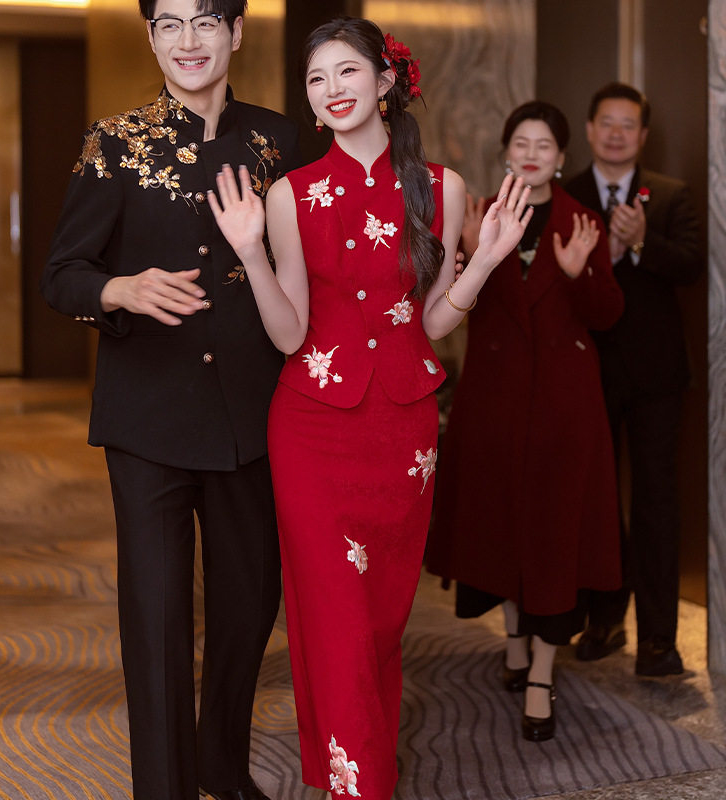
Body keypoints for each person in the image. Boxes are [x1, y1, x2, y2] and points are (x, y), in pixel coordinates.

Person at [205, 16, 532, 799]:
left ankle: (344, 771)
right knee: (336, 619)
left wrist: (485, 261)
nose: (332, 90)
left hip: (403, 432)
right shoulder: (289, 195)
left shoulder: (442, 189)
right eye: (317, 79)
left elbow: (432, 322)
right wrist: (250, 252)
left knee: (379, 622)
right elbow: (289, 334)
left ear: (385, 80)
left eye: (346, 71)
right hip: (312, 429)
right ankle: (365, 788)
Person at [40, 0, 299, 797]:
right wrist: (118, 288)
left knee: (248, 608)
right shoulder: (115, 142)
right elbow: (63, 275)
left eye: (206, 22)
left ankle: (221, 762)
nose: (189, 40)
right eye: (170, 24)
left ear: (237, 32)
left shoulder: (282, 141)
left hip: (252, 418)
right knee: (155, 623)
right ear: (151, 37)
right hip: (148, 418)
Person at [425, 101, 624, 742]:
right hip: (495, 402)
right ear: (507, 151)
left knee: (554, 536)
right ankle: (514, 639)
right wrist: (468, 256)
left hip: (566, 408)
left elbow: (607, 314)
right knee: (502, 525)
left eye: (545, 145)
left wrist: (577, 275)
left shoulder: (583, 221)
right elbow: (449, 305)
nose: (532, 153)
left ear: (561, 157)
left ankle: (541, 673)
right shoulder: (479, 214)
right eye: (522, 142)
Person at [564, 82, 704, 676]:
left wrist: (642, 241)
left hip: (656, 377)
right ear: (590, 129)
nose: (617, 133)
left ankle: (659, 640)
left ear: (643, 135)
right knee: (594, 502)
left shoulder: (670, 195)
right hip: (587, 370)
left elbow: (692, 266)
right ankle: (604, 621)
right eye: (607, 122)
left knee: (656, 502)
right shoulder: (566, 196)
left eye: (628, 124)